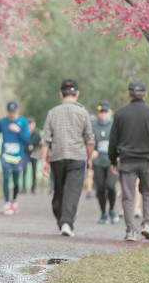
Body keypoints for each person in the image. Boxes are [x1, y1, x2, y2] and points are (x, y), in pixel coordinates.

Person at [109, 79, 149, 242]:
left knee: (128, 196)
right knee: (148, 193)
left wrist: (112, 160)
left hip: (127, 161)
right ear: (145, 94)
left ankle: (131, 231)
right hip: (147, 161)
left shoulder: (120, 113)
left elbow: (113, 140)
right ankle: (148, 225)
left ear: (129, 94)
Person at [40, 79, 95, 237]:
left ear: (61, 94)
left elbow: (46, 139)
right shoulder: (83, 113)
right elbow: (89, 139)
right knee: (72, 191)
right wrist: (89, 158)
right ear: (77, 94)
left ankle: (63, 220)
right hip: (77, 157)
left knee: (58, 191)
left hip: (57, 158)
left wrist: (44, 160)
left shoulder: (52, 112)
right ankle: (66, 223)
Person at [0, 101, 30, 214]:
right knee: (6, 178)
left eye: (14, 112)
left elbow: (26, 139)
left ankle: (14, 200)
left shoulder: (23, 122)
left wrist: (18, 130)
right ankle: (7, 203)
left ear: (18, 111)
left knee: (16, 181)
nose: (12, 114)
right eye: (10, 112)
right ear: (7, 111)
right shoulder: (2, 122)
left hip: (18, 156)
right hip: (5, 155)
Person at [91, 101, 120, 224]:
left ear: (110, 112)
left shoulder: (115, 125)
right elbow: (90, 142)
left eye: (105, 112)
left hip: (112, 162)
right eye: (100, 112)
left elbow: (121, 141)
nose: (103, 114)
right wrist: (91, 151)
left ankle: (112, 209)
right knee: (100, 188)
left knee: (111, 186)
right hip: (98, 162)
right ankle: (103, 213)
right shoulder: (93, 126)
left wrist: (119, 154)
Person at [23, 117, 41, 194]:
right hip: (26, 153)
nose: (30, 126)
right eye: (29, 124)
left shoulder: (37, 133)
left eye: (31, 124)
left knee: (34, 171)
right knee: (24, 169)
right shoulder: (24, 132)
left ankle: (33, 188)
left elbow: (40, 144)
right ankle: (23, 188)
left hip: (34, 154)